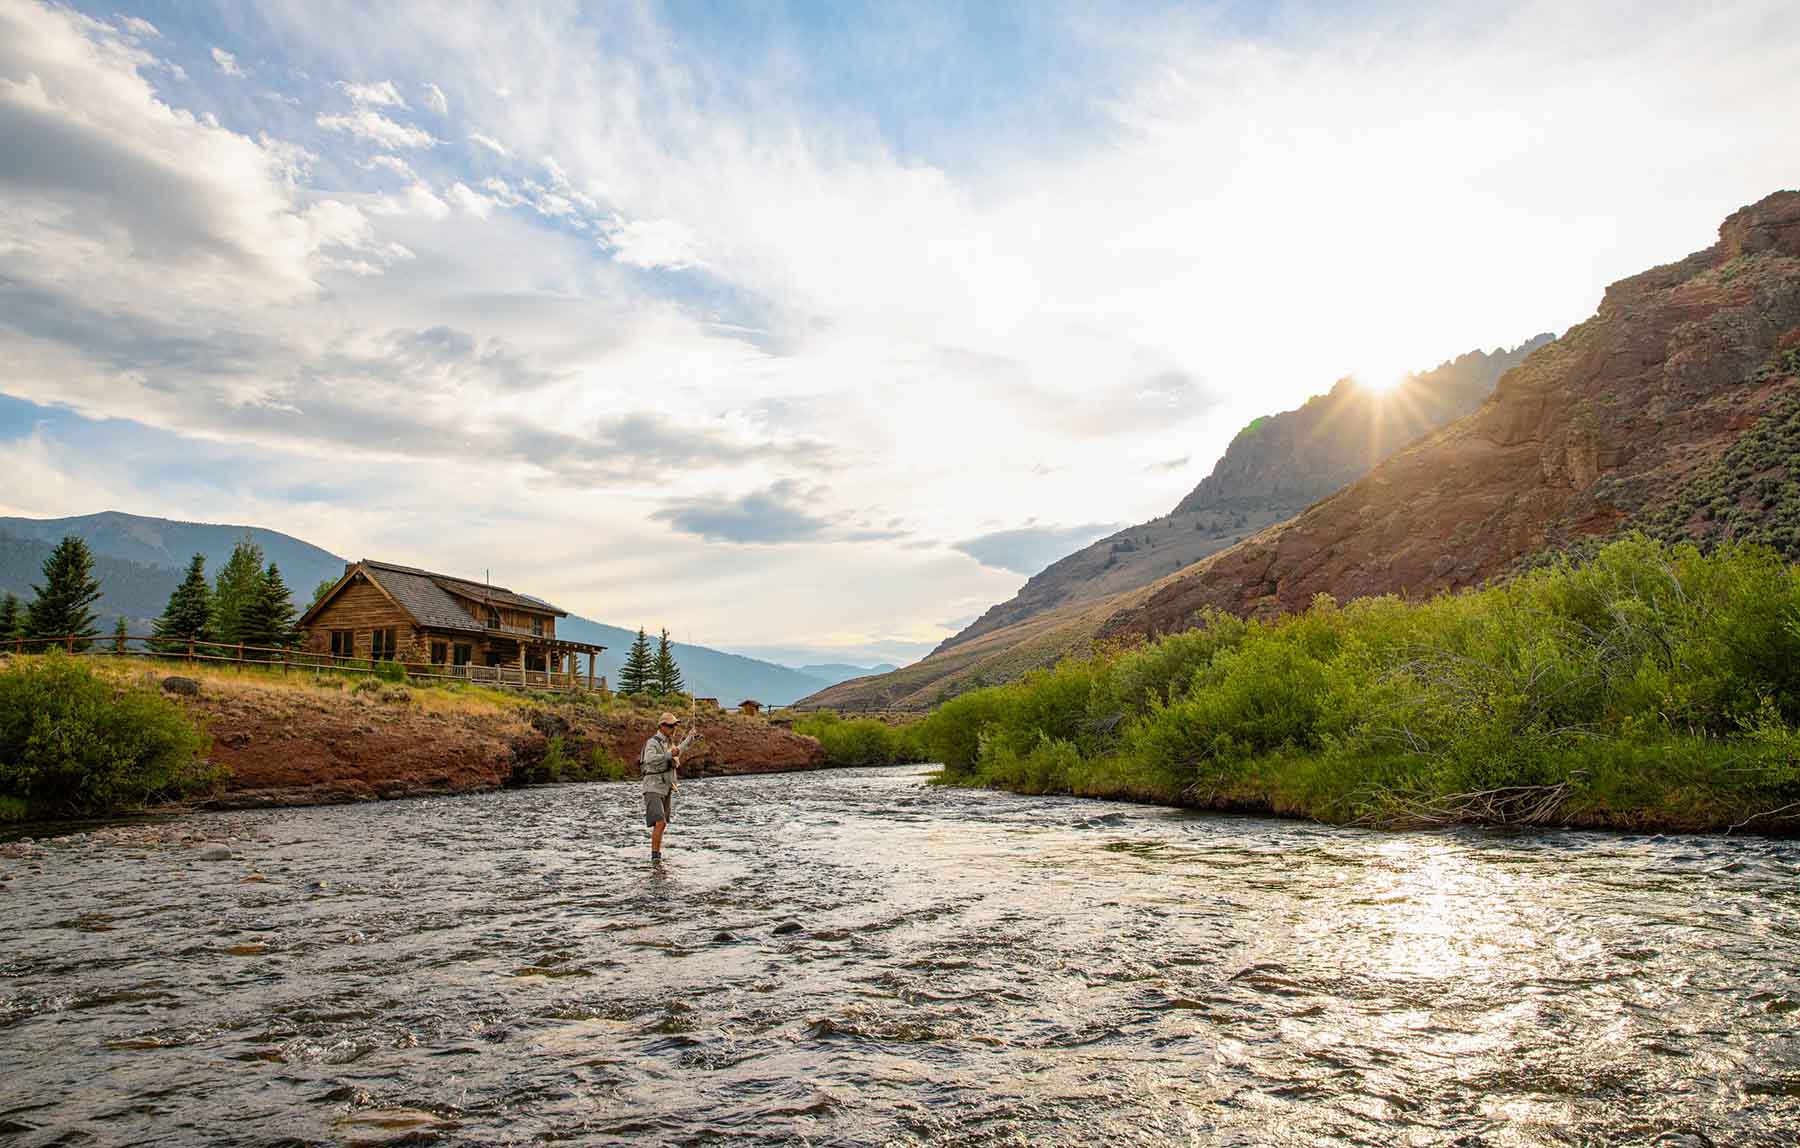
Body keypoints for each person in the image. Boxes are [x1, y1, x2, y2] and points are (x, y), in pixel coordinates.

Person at [641, 712, 696, 862]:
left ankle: (656, 856)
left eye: (675, 725)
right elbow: (649, 759)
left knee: (662, 824)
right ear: (662, 726)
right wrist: (669, 754)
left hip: (666, 787)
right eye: (671, 726)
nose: (674, 728)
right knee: (660, 822)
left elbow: (677, 751)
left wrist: (689, 738)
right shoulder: (652, 742)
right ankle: (655, 857)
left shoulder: (669, 742)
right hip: (653, 787)